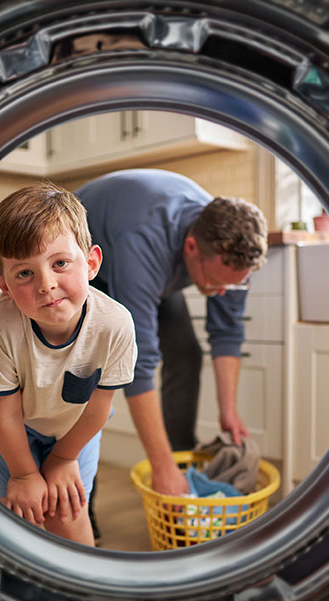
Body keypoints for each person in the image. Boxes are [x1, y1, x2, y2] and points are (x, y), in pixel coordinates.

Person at [77, 169, 267, 497]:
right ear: (192, 247)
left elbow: (227, 330)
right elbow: (139, 363)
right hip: (88, 265)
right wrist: (158, 467)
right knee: (85, 373)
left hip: (151, 263)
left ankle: (180, 468)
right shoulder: (145, 239)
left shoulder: (231, 251)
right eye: (216, 283)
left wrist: (228, 410)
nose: (224, 292)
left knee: (185, 353)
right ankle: (81, 501)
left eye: (233, 284)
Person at [0, 181, 137, 546]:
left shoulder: (114, 323)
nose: (46, 285)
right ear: (3, 283)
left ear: (92, 263)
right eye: (24, 273)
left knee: (68, 514)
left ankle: (85, 595)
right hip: (16, 426)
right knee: (21, 513)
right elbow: (3, 414)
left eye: (60, 263)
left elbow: (99, 407)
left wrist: (64, 458)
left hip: (77, 429)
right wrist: (23, 475)